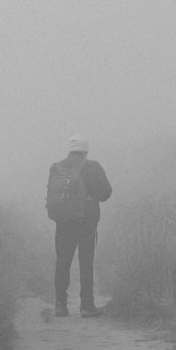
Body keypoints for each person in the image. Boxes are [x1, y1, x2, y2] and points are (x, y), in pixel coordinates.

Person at [49, 134, 112, 317]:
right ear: (85, 151)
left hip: (63, 222)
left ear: (70, 150)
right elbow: (106, 193)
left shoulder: (56, 168)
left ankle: (60, 305)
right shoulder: (92, 167)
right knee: (86, 263)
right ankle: (86, 306)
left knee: (62, 262)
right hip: (86, 222)